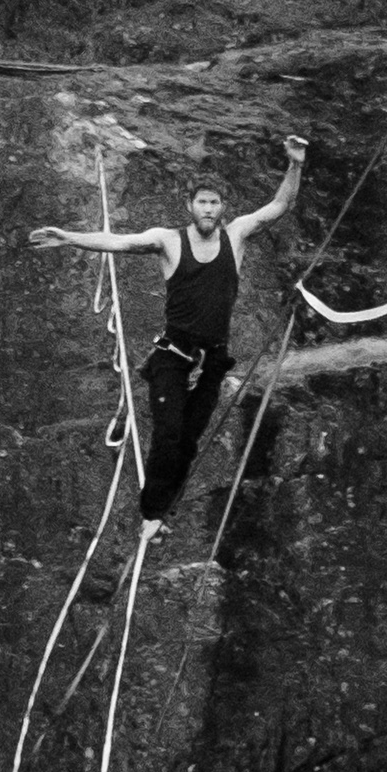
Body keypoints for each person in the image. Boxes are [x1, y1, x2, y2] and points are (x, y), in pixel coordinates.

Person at [30, 133, 307, 517]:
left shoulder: (237, 235)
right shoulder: (168, 240)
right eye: (202, 203)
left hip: (212, 362)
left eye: (214, 203)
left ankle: (164, 513)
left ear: (223, 208)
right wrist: (70, 238)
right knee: (168, 436)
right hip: (173, 359)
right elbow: (119, 242)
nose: (208, 210)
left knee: (189, 443)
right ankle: (152, 514)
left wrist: (295, 163)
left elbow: (281, 204)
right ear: (190, 206)